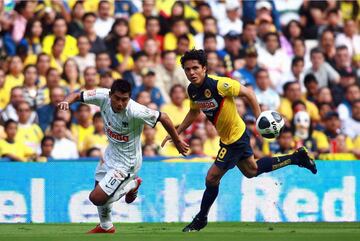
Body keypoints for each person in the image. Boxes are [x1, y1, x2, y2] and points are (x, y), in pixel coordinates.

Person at [161, 49, 317, 232]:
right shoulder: (192, 90)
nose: (191, 73)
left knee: (211, 178)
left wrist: (260, 119)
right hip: (231, 137)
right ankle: (296, 158)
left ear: (204, 68)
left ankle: (201, 218)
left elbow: (249, 93)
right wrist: (176, 132)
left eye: (195, 68)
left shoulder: (220, 84)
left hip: (234, 138)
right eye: (187, 70)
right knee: (252, 171)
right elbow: (194, 112)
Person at [58, 80, 188, 233]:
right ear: (110, 95)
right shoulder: (102, 96)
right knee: (99, 188)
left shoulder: (135, 111)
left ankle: (132, 185)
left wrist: (177, 140)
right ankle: (106, 226)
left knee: (97, 198)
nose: (120, 103)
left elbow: (164, 117)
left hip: (127, 163)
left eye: (124, 99)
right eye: (117, 98)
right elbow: (77, 95)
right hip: (110, 154)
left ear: (129, 98)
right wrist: (66, 101)